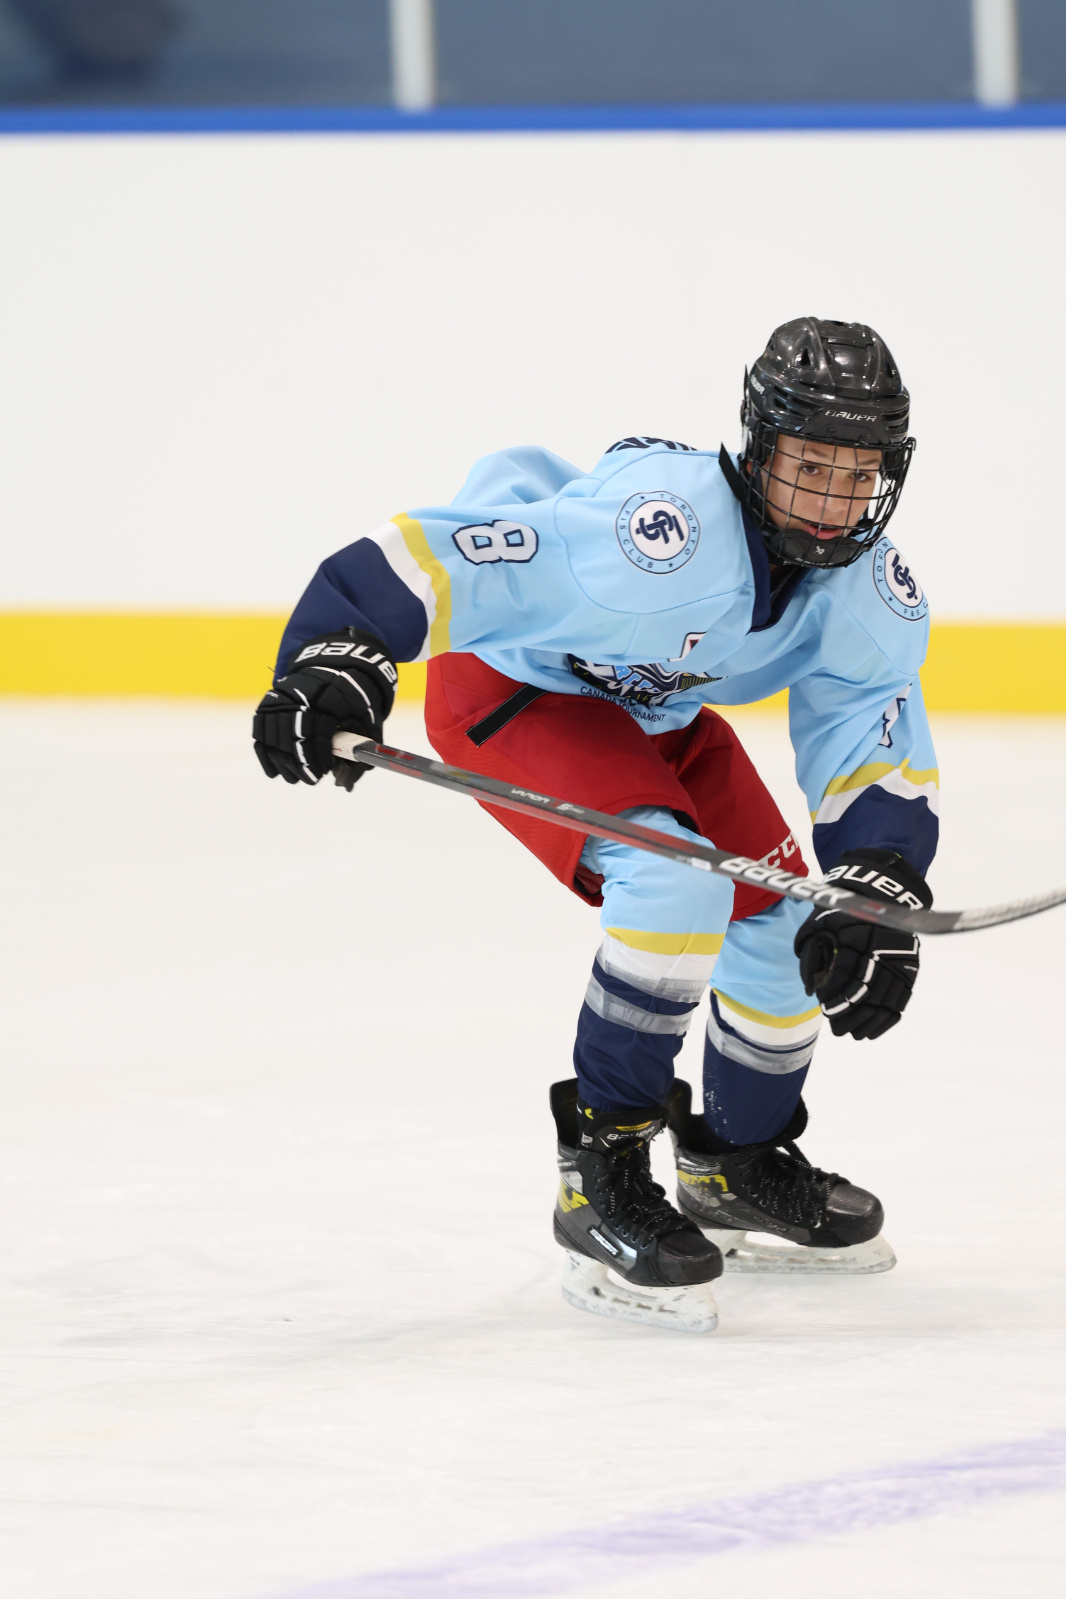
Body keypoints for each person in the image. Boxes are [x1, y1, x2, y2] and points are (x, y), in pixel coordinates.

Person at [253, 318, 938, 1333]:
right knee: (677, 880)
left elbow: (870, 722)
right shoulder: (652, 537)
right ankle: (599, 1176)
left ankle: (734, 1162)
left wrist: (875, 871)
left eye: (858, 474)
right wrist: (336, 650)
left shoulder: (865, 588)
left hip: (654, 713)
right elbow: (459, 556)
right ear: (758, 451)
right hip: (515, 691)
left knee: (792, 914)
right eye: (810, 467)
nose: (833, 502)